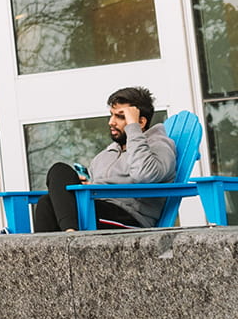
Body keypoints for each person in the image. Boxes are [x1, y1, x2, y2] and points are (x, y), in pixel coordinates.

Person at [32, 86, 177, 232]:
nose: (111, 122)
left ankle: (71, 237)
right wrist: (89, 184)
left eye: (120, 116)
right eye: (112, 115)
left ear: (140, 122)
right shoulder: (107, 154)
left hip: (129, 218)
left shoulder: (159, 146)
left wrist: (133, 128)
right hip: (97, 209)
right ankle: (69, 235)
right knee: (55, 180)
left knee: (53, 202)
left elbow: (144, 174)